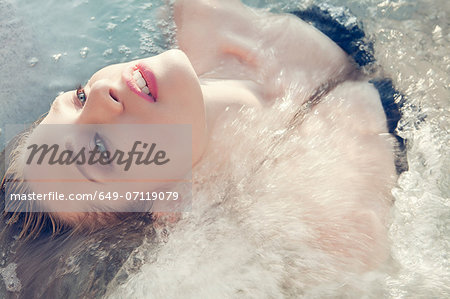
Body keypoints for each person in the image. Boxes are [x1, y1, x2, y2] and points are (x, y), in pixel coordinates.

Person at [2, 0, 404, 268]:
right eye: (101, 149)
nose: (100, 98)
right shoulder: (332, 212)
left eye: (77, 98)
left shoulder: (198, 16)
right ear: (167, 203)